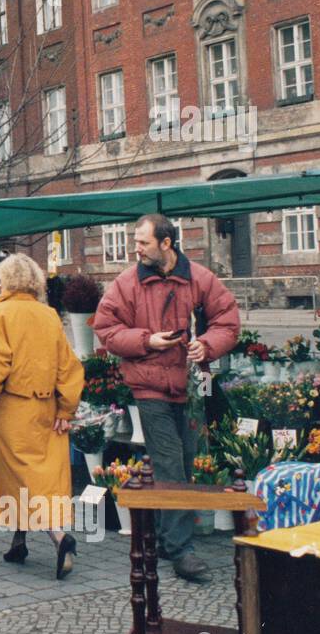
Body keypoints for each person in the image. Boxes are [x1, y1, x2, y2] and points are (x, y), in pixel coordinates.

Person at [93, 213, 240, 582]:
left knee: (185, 460)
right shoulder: (126, 283)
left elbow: (228, 318)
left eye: (143, 242)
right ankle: (180, 551)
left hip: (186, 387)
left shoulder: (197, 277)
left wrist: (207, 346)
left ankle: (160, 538)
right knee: (171, 460)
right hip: (148, 386)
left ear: (166, 244)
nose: (135, 248)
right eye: (135, 241)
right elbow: (106, 328)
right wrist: (146, 340)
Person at [0, 254, 85, 580]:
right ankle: (18, 541)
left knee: (21, 478)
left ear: (4, 281)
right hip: (47, 408)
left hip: (13, 408)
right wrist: (66, 408)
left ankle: (59, 537)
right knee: (42, 476)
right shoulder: (48, 316)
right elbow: (68, 366)